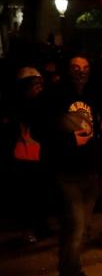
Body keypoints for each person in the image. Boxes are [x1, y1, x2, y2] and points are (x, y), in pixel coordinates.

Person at [40, 54, 102, 276]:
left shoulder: (93, 94)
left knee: (83, 228)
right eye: (75, 67)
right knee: (75, 226)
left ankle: (75, 271)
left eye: (85, 67)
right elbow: (43, 128)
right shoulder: (54, 95)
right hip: (66, 169)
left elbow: (101, 124)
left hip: (89, 169)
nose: (81, 72)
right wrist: (69, 140)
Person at [6, 67, 52, 244]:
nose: (38, 88)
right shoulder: (18, 106)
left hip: (41, 155)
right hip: (23, 156)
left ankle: (41, 224)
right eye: (34, 84)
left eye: (40, 84)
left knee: (42, 194)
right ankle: (29, 228)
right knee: (28, 196)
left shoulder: (43, 103)